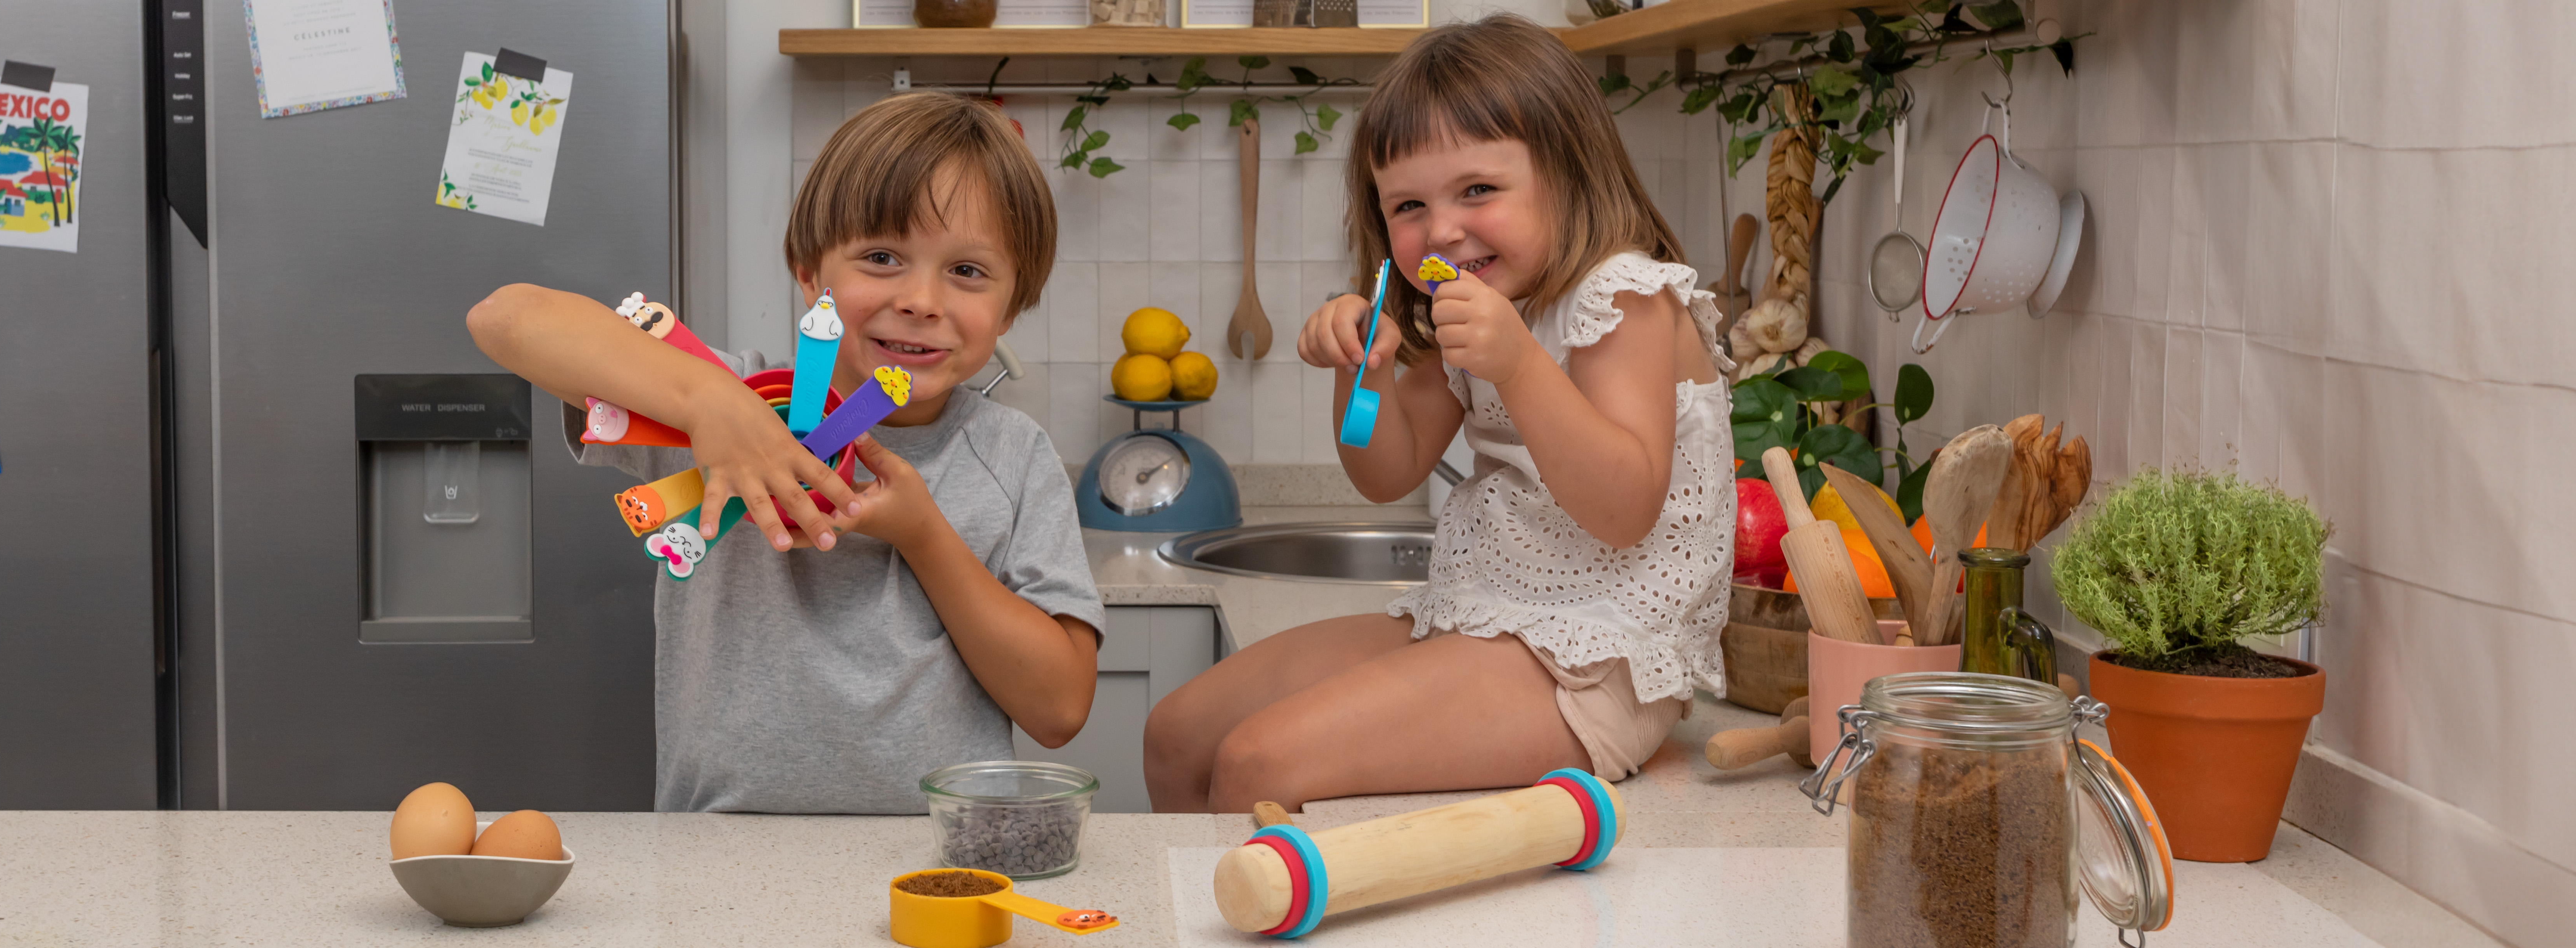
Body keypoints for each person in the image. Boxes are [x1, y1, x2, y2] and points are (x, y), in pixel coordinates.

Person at [1143, 14, 1736, 814]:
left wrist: (1519, 364)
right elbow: (1384, 473)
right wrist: (1364, 372)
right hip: (1480, 619)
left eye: (1478, 191)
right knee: (1178, 731)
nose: (1442, 230)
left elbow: (1624, 510)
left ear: (1567, 173)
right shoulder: (1478, 308)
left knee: (1258, 760)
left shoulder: (1620, 296)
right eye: (1408, 206)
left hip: (1603, 658)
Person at [466, 92, 1104, 814]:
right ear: (809, 271)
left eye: (968, 272)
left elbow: (1057, 709)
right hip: (719, 860)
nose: (923, 299)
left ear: (1012, 307)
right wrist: (714, 407)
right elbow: (505, 319)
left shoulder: (1012, 455)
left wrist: (921, 533)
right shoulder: (715, 406)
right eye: (882, 257)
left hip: (939, 861)